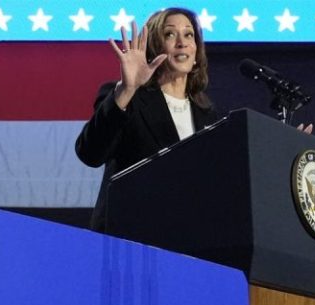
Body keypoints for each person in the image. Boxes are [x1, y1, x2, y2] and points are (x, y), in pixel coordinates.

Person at [75, 7, 218, 232]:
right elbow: (90, 153)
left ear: (197, 51)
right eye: (170, 34)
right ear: (153, 47)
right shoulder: (126, 97)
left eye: (188, 34)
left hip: (187, 237)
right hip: (130, 235)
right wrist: (127, 89)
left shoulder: (207, 113)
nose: (182, 42)